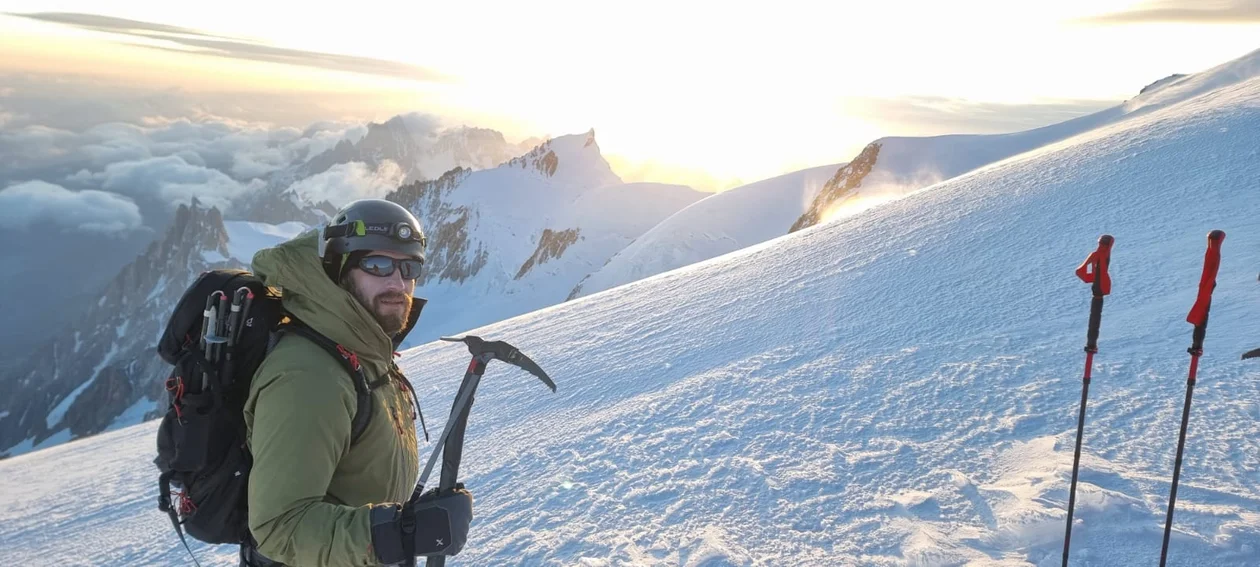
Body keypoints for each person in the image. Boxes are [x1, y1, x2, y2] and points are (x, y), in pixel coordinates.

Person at [241, 198, 473, 566]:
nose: (399, 283)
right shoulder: (309, 377)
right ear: (340, 269)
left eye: (409, 266)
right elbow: (279, 526)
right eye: (378, 264)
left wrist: (405, 522)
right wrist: (402, 532)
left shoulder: (364, 350)